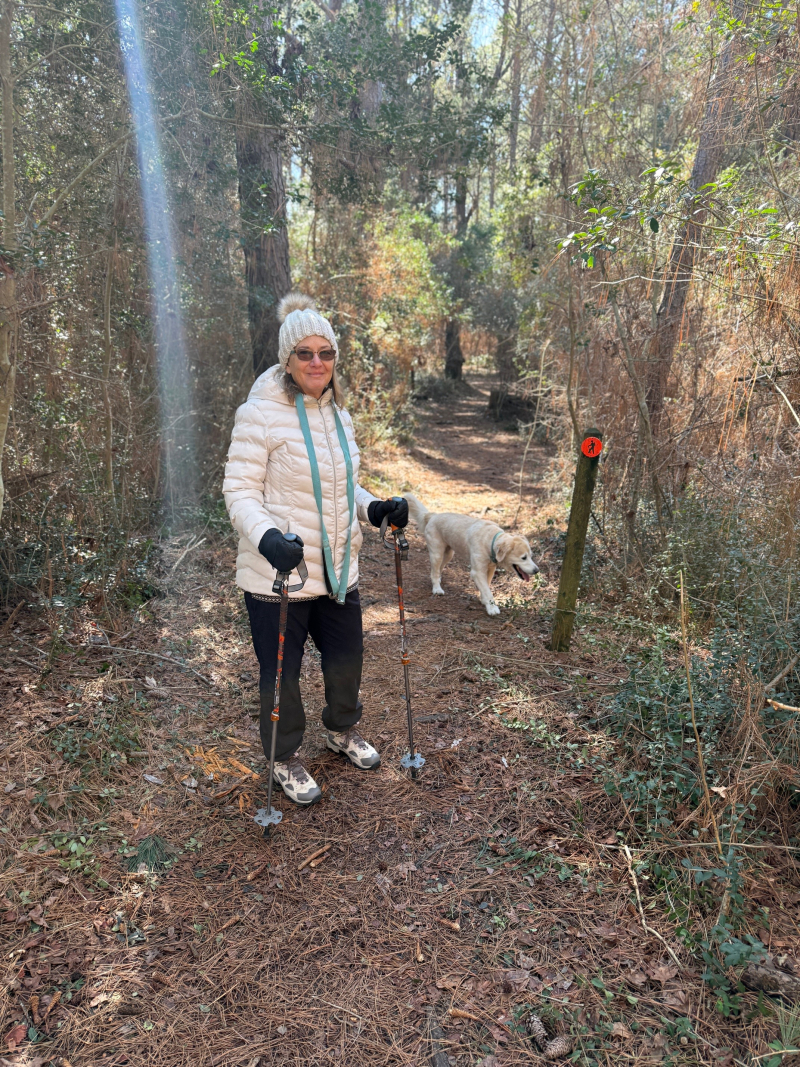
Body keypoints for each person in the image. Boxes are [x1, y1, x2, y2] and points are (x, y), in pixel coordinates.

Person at [223, 293, 408, 805]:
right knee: (281, 673)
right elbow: (239, 491)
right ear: (288, 360)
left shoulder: (338, 414)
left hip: (338, 567)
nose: (316, 363)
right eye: (305, 353)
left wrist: (374, 508)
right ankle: (283, 756)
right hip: (280, 574)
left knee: (347, 657)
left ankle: (341, 730)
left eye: (325, 353)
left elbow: (342, 487)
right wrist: (267, 539)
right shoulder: (259, 414)